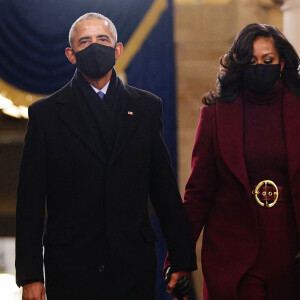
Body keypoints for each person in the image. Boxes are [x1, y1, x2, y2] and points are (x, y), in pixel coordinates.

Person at [15, 12, 197, 300]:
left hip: (132, 262)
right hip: (71, 266)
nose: (94, 46)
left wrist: (182, 260)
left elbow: (163, 188)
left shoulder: (147, 108)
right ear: (71, 54)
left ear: (118, 49)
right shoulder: (46, 114)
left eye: (102, 39)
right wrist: (30, 276)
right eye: (84, 41)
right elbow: (30, 201)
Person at [182, 23, 300, 300]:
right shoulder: (215, 115)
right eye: (251, 61)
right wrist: (178, 256)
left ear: (282, 63)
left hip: (291, 249)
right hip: (234, 251)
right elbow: (198, 193)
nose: (260, 67)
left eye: (267, 61)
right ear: (238, 65)